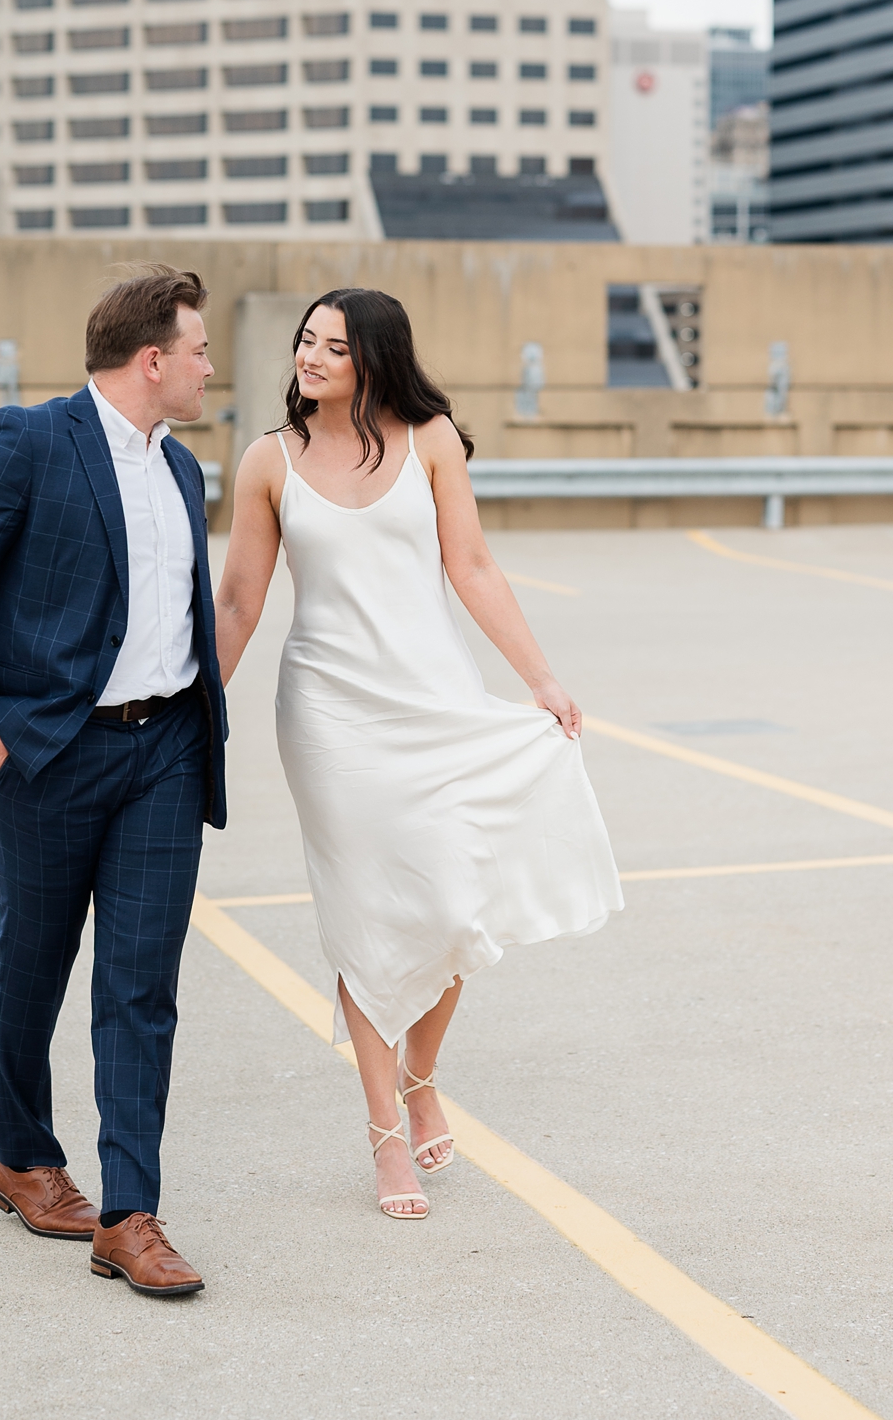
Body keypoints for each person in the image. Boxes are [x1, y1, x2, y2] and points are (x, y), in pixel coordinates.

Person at [215, 287, 621, 1220]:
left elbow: (470, 564)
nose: (309, 357)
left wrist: (541, 678)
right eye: (305, 341)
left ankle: (421, 1071)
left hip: (434, 699)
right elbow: (238, 600)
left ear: (374, 359)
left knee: (452, 897)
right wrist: (198, 713)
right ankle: (384, 1131)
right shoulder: (267, 461)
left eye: (332, 346)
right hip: (329, 715)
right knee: (366, 913)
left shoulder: (431, 439)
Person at [0, 266, 227, 1296]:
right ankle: (24, 1157)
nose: (209, 365)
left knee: (141, 984)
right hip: (46, 753)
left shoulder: (183, 471)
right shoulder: (30, 441)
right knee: (36, 957)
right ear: (153, 360)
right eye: (200, 349)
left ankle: (131, 1215)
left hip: (165, 753)